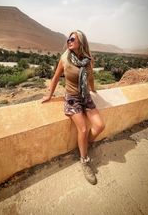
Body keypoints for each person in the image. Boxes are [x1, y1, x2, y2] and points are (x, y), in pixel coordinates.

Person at [42, 30, 105, 185]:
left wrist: (93, 89)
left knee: (100, 126)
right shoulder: (65, 58)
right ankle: (84, 160)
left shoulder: (89, 60)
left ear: (80, 43)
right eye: (68, 39)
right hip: (72, 99)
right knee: (82, 129)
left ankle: (84, 144)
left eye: (72, 39)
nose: (68, 41)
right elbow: (56, 77)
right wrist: (49, 95)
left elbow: (90, 76)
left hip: (86, 97)